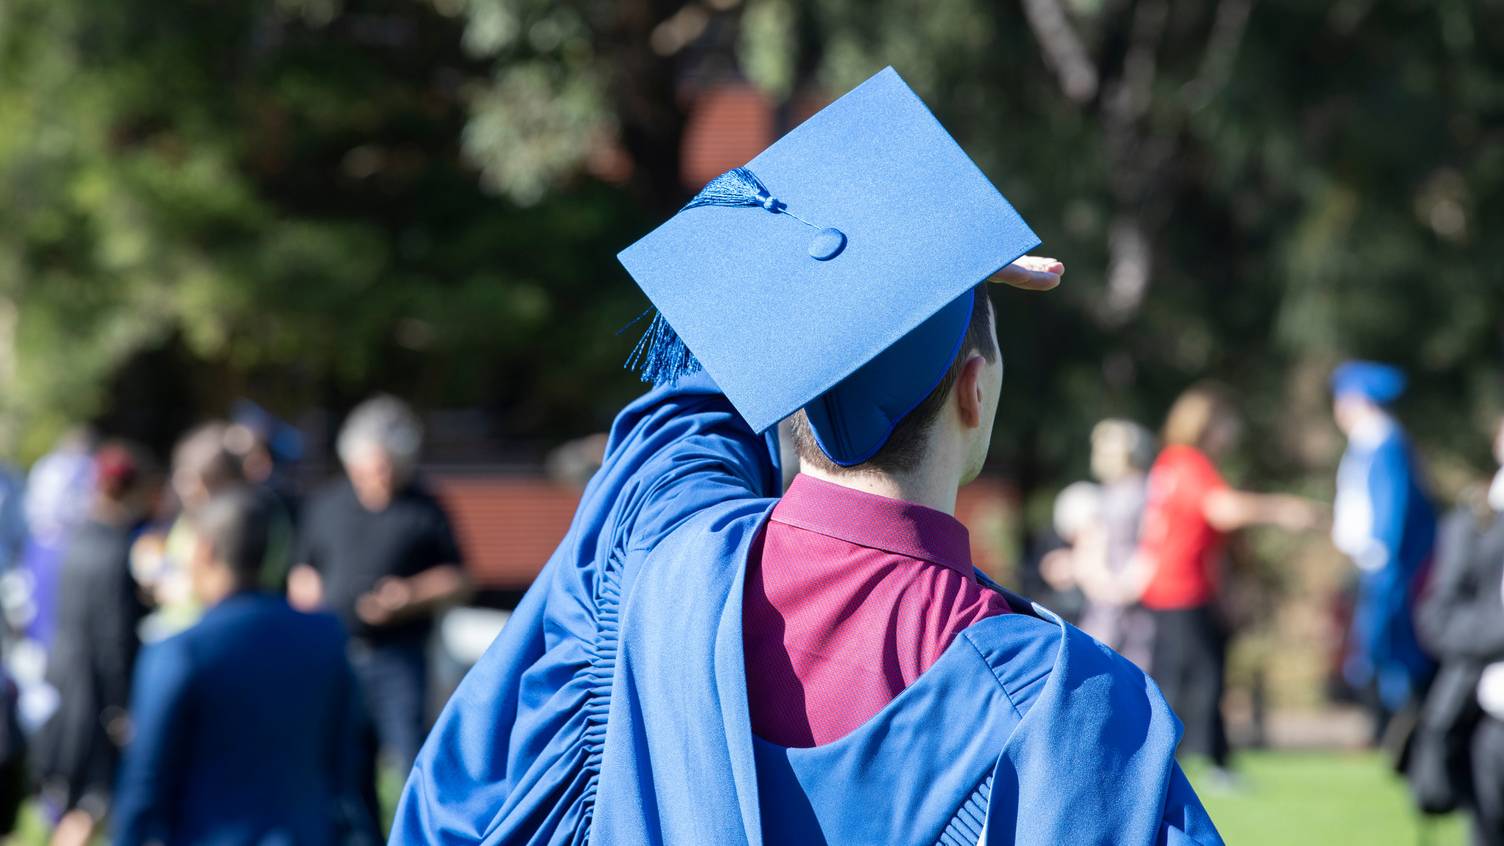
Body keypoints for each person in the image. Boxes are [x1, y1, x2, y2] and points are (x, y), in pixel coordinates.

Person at [393, 68, 1221, 845]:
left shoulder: (664, 561)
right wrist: (919, 261)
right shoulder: (1065, 709)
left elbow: (683, 414)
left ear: (783, 391)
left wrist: (864, 263)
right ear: (975, 391)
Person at [112, 487, 374, 846]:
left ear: (203, 551)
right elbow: (348, 770)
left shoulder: (181, 651)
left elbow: (143, 787)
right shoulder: (326, 638)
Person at [1115, 384, 1322, 781]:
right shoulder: (1189, 463)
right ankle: (1205, 762)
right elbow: (1222, 510)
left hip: (1173, 586)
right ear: (1207, 425)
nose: (1232, 434)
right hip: (1181, 586)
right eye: (1227, 424)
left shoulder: (1171, 463)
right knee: (1201, 676)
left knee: (1181, 674)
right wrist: (1284, 510)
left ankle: (1181, 759)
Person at [290, 395, 469, 776]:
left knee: (410, 759)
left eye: (387, 468)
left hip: (399, 657)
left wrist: (409, 596)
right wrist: (310, 610)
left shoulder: (425, 508)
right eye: (370, 468)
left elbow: (459, 578)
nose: (378, 477)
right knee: (345, 766)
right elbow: (303, 572)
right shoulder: (326, 505)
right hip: (337, 651)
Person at [32, 444, 151, 846]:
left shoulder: (75, 541)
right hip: (94, 693)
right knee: (90, 803)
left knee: (74, 800)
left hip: (64, 681)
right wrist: (121, 706)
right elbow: (113, 639)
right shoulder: (115, 551)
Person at [1331, 360, 1437, 736]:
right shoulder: (1369, 442)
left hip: (1390, 568)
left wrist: (1381, 560)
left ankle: (1400, 730)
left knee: (1392, 648)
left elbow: (1389, 513)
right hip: (1375, 566)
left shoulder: (1384, 442)